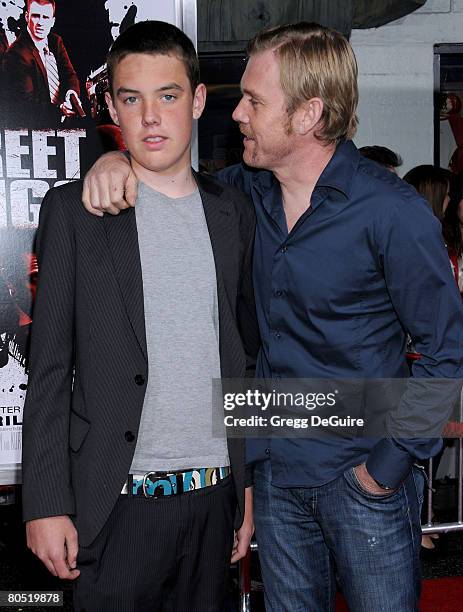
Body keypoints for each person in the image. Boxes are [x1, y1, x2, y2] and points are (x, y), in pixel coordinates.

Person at [81, 22, 463, 612]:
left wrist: (386, 469)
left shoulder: (391, 212)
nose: (238, 115)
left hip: (362, 476)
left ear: (310, 115)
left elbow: (446, 353)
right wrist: (115, 160)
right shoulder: (243, 195)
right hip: (276, 475)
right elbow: (169, 176)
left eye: (255, 101)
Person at [22, 20, 258, 612]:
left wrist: (245, 484)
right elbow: (48, 366)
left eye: (168, 96)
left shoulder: (233, 212)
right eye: (132, 98)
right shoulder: (76, 211)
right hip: (115, 504)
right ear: (112, 105)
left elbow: (239, 357)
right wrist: (45, 502)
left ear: (199, 100)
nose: (150, 116)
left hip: (214, 501)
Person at [3, 0, 83, 126]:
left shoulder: (55, 41)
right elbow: (26, 105)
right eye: (35, 16)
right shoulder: (15, 55)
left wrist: (71, 94)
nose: (40, 23)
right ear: (26, 17)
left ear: (53, 21)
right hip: (37, 128)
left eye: (45, 17)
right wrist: (60, 110)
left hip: (65, 123)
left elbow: (69, 75)